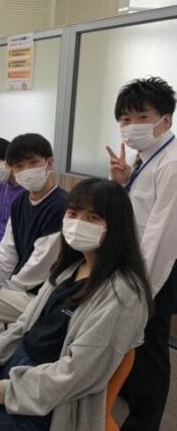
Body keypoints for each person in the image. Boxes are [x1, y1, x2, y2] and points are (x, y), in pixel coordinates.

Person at [0, 178, 152, 431]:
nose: (78, 223)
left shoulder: (122, 294)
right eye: (73, 214)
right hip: (18, 366)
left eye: (92, 218)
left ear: (116, 226)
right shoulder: (72, 267)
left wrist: (11, 391)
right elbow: (25, 323)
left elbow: (79, 373)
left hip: (47, 404)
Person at [106, 76, 177, 431]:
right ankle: (130, 394)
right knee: (133, 340)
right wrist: (121, 184)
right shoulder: (145, 156)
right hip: (135, 265)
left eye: (142, 117)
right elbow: (137, 212)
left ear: (165, 120)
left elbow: (161, 234)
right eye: (125, 118)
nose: (132, 125)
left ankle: (144, 423)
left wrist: (141, 287)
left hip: (156, 271)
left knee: (150, 351)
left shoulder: (172, 163)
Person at [0, 133, 68, 358]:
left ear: (49, 163)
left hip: (45, 293)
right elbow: (8, 250)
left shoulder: (61, 205)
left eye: (33, 163)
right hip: (23, 285)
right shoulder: (20, 201)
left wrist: (8, 287)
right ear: (12, 169)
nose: (26, 170)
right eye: (19, 166)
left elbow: (41, 264)